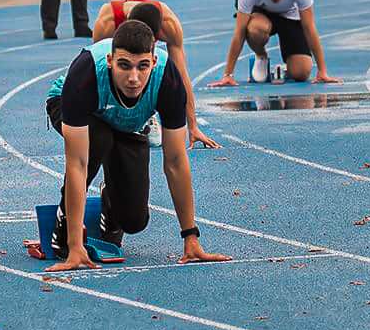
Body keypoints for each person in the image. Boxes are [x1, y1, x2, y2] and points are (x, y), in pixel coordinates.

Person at [45, 19, 231, 271]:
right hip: (74, 109)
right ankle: (64, 220)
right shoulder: (85, 73)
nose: (134, 78)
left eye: (142, 67)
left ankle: (109, 196)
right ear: (110, 60)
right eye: (124, 66)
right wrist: (75, 245)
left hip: (125, 123)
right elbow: (77, 163)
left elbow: (175, 162)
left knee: (134, 221)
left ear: (153, 63)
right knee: (98, 140)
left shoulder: (168, 78)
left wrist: (191, 237)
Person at [91, 0, 219, 148]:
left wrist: (193, 126)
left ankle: (147, 114)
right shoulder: (107, 23)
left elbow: (180, 76)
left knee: (148, 67)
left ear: (158, 34)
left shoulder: (169, 25)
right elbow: (98, 73)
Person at [207, 0, 340, 87]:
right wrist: (228, 74)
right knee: (255, 30)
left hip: (291, 17)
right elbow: (239, 33)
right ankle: (261, 56)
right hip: (263, 16)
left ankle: (289, 66)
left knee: (301, 73)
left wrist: (322, 71)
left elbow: (309, 27)